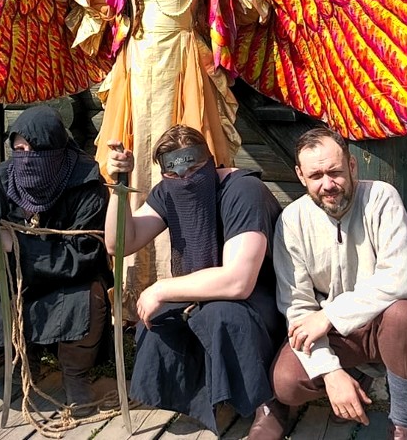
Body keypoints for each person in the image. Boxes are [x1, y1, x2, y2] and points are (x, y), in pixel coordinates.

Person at [67, 0, 242, 312]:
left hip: (185, 69)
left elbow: (235, 2)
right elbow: (103, 5)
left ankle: (186, 283)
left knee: (186, 166)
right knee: (135, 162)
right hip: (137, 71)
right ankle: (134, 292)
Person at [104, 125, 285, 436]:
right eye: (174, 174)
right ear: (165, 174)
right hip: (205, 295)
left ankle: (268, 403)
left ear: (209, 161)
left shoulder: (243, 191)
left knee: (220, 314)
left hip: (262, 303)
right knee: (159, 318)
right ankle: (199, 397)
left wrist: (162, 288)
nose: (185, 179)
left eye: (194, 169)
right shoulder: (168, 192)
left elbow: (239, 282)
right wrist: (118, 187)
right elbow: (119, 243)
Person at [267, 128, 407, 440]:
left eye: (334, 171)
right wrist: (330, 371)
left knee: (405, 317)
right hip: (339, 335)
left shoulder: (381, 198)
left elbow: (403, 277)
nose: (327, 184)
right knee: (287, 383)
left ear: (351, 165)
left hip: (385, 321)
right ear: (300, 176)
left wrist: (329, 315)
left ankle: (405, 425)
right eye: (316, 175)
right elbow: (298, 307)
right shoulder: (292, 221)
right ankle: (354, 374)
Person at [0, 105, 111, 409]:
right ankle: (24, 356)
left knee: (90, 296)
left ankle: (75, 374)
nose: (26, 158)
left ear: (56, 151)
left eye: (35, 150)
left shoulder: (85, 182)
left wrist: (18, 245)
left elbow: (83, 256)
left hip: (67, 284)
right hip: (9, 283)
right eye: (19, 149)